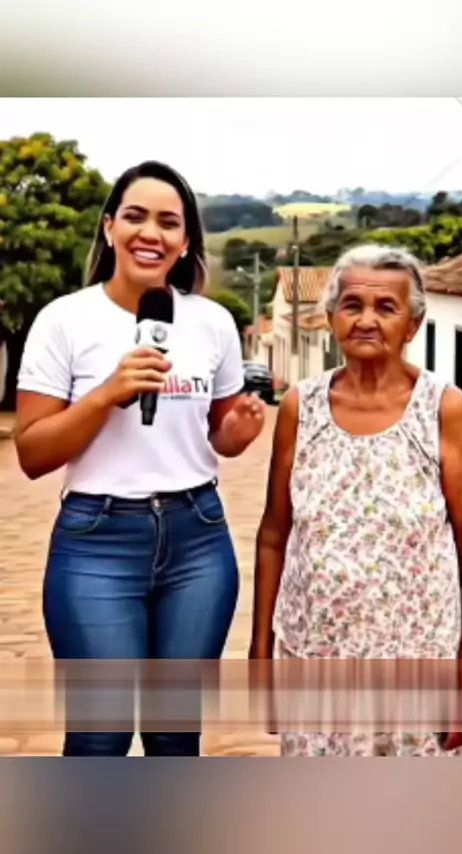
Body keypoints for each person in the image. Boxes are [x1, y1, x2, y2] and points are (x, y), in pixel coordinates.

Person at [15, 160, 265, 756]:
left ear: (185, 241)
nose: (150, 233)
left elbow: (219, 436)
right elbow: (32, 453)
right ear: (109, 228)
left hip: (198, 539)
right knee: (100, 733)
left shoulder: (212, 323)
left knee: (174, 732)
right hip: (96, 542)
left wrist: (238, 432)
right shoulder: (65, 320)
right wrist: (107, 394)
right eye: (135, 216)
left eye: (168, 222)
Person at [250, 244, 462, 757]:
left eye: (386, 307)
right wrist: (260, 650)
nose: (367, 320)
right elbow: (273, 536)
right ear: (332, 316)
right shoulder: (301, 407)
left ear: (413, 325)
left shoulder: (443, 409)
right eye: (352, 305)